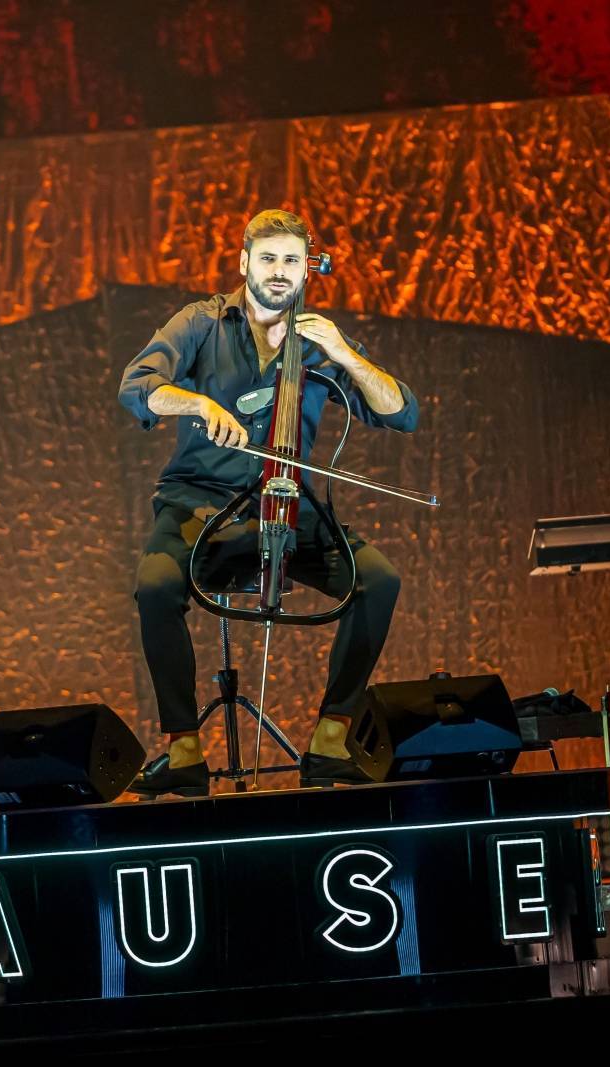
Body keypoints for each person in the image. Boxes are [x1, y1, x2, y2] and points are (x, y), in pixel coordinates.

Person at [117, 209, 419, 797]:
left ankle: (330, 740)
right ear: (244, 263)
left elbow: (400, 412)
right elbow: (138, 387)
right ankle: (183, 750)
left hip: (287, 508)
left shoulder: (318, 340)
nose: (279, 273)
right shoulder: (203, 321)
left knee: (378, 580)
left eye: (291, 261)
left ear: (307, 267)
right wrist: (198, 405)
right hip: (200, 504)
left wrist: (346, 354)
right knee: (155, 586)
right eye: (268, 259)